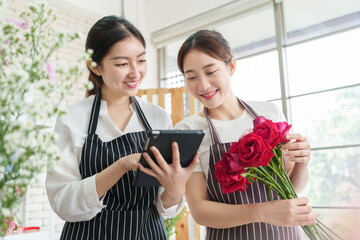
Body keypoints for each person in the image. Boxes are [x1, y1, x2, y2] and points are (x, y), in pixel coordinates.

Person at [46, 16, 198, 240]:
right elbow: (62, 202)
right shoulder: (72, 118)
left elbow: (163, 206)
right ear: (95, 66)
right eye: (122, 64)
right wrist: (121, 166)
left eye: (141, 60)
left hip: (149, 234)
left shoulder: (158, 117)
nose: (135, 73)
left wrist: (176, 187)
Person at [174, 30, 320, 239]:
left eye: (211, 72)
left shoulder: (268, 113)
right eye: (192, 77)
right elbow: (200, 210)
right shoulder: (187, 131)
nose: (203, 85)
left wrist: (303, 162)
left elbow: (290, 189)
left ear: (231, 66)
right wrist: (263, 212)